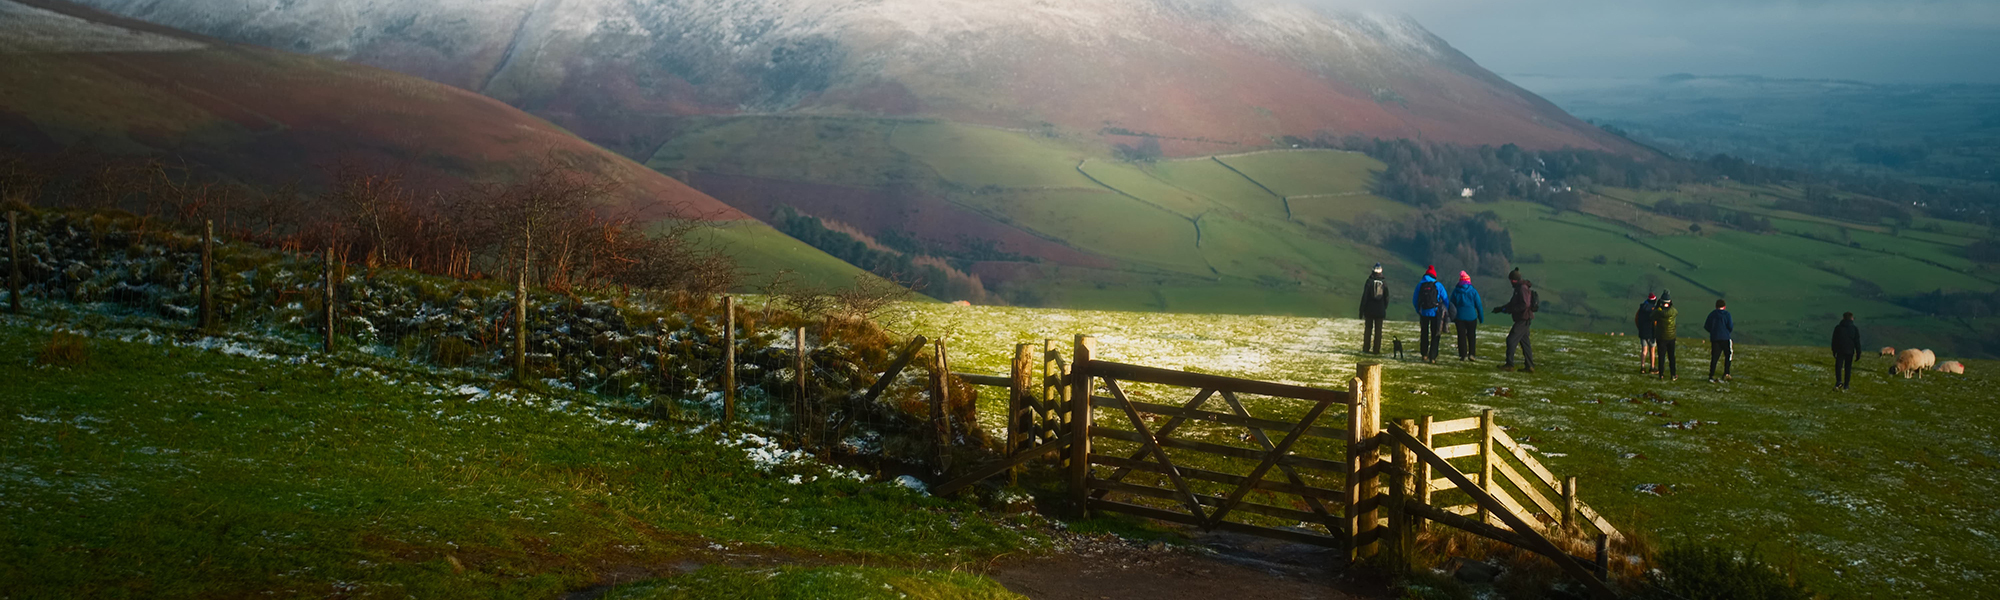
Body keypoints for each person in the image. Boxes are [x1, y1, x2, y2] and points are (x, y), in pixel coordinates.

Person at [1492, 268, 1537, 372]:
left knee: (1511, 340)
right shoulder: (1520, 288)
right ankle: (1529, 366)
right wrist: (1501, 309)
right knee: (1525, 343)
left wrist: (1511, 310)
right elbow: (1512, 304)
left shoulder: (1521, 289)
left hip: (1523, 318)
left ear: (1513, 280)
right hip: (1525, 318)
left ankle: (1510, 364)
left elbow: (1524, 305)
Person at [1412, 265, 1451, 363]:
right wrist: (1446, 311)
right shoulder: (1438, 285)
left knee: (1424, 333)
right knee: (1435, 334)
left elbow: (1415, 299)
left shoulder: (1420, 284)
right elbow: (1445, 299)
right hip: (1435, 312)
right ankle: (1432, 356)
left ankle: (1424, 354)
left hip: (1424, 312)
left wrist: (1418, 309)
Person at [1450, 271, 1484, 361]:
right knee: (1471, 336)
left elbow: (1451, 305)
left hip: (1459, 317)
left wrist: (1451, 317)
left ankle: (1463, 354)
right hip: (1472, 317)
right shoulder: (1473, 291)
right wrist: (1481, 317)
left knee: (1461, 336)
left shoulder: (1456, 291)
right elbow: (1479, 305)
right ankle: (1472, 354)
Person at [1358, 264, 1389, 354]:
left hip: (1369, 310)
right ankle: (1376, 350)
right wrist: (1384, 308)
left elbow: (1364, 297)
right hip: (1380, 310)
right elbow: (1386, 297)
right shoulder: (1384, 283)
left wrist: (1361, 310)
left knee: (1368, 329)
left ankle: (1366, 348)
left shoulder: (1369, 282)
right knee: (1378, 331)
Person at [1704, 299, 1734, 382]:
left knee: (1714, 357)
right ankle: (1726, 373)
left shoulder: (1712, 314)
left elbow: (1706, 326)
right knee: (1727, 355)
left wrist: (1713, 332)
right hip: (1725, 338)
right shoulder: (1727, 314)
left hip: (1715, 339)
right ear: (1724, 306)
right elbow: (1730, 326)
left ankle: (1711, 375)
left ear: (1716, 306)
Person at [1831, 312, 1861, 390]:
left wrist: (1834, 350)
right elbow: (1857, 342)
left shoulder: (1838, 328)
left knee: (1838, 366)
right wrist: (1858, 353)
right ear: (1851, 318)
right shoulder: (1854, 328)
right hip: (1850, 351)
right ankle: (1846, 385)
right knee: (1848, 368)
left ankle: (1839, 381)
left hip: (1840, 350)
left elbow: (1834, 340)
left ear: (1843, 318)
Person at [1653, 291, 1679, 381]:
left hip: (1661, 337)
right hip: (1671, 337)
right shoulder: (1673, 311)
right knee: (1671, 356)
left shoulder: (1659, 313)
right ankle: (1673, 374)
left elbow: (1651, 316)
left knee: (1661, 356)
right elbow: (1675, 311)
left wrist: (1657, 307)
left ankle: (1661, 374)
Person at [1634, 293, 1658, 373]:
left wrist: (1640, 328)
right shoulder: (1654, 309)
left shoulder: (1641, 308)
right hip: (1651, 333)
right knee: (1652, 351)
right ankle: (1652, 367)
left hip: (1642, 332)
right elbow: (1655, 322)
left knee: (1644, 350)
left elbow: (1636, 318)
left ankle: (1642, 367)